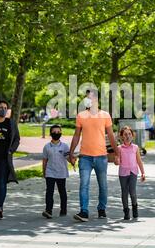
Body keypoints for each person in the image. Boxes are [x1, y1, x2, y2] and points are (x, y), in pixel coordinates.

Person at [69, 91, 119, 222]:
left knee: (103, 185)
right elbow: (76, 135)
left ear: (96, 99)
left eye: (90, 97)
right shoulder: (81, 116)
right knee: (83, 184)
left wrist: (117, 153)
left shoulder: (105, 115)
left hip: (101, 157)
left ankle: (101, 209)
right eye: (86, 97)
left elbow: (111, 136)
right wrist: (71, 152)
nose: (87, 99)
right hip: (85, 157)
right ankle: (84, 211)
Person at [42, 124, 73, 219]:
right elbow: (44, 160)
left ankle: (63, 210)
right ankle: (48, 210)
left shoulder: (64, 146)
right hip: (50, 172)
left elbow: (68, 158)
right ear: (50, 133)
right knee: (49, 191)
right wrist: (44, 172)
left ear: (61, 133)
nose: (56, 133)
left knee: (62, 191)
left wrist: (72, 160)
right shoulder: (47, 147)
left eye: (58, 132)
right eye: (54, 132)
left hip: (61, 172)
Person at [117, 126, 146, 220]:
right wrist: (116, 160)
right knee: (124, 192)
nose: (128, 136)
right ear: (121, 137)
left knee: (132, 191)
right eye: (125, 134)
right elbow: (116, 161)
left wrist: (143, 173)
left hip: (133, 172)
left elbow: (139, 161)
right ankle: (126, 211)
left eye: (129, 134)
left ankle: (135, 207)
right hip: (123, 173)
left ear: (132, 136)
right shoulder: (119, 148)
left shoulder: (135, 148)